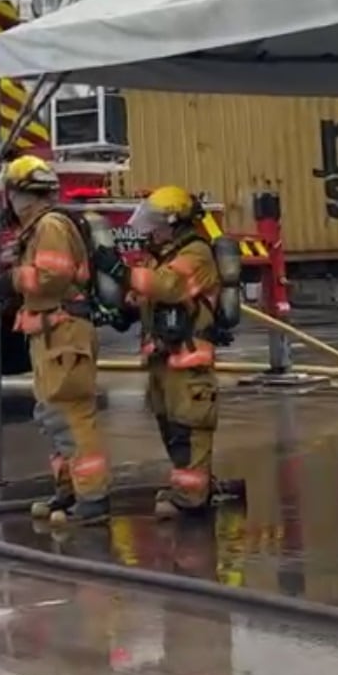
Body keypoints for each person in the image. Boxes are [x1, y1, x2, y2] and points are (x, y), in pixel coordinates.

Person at [0, 154, 112, 528]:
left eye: (10, 194)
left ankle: (92, 498)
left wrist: (12, 281)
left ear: (24, 194)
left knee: (72, 415)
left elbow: (52, 277)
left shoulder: (51, 226)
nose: (8, 202)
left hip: (65, 334)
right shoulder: (38, 228)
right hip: (50, 335)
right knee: (53, 417)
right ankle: (70, 490)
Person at [122, 186, 227, 520]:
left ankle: (193, 497)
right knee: (170, 427)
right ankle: (189, 488)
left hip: (188, 358)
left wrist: (124, 274)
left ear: (173, 221)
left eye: (155, 221)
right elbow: (146, 296)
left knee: (189, 428)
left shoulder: (196, 253)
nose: (149, 228)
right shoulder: (163, 254)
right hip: (164, 359)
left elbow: (168, 286)